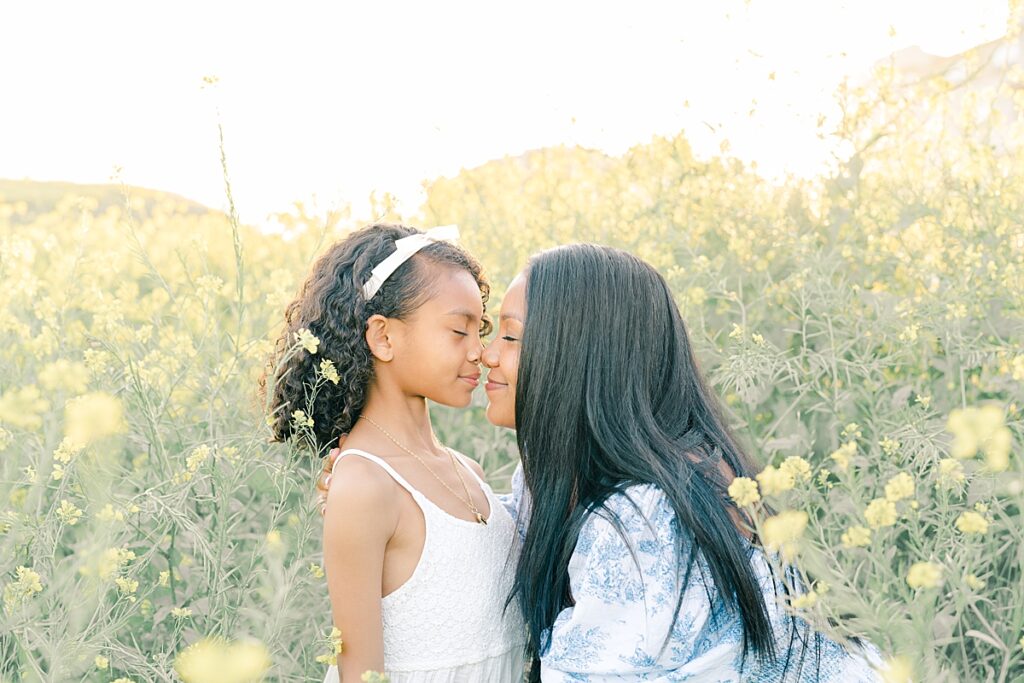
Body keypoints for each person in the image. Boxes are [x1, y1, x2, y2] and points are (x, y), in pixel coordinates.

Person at [480, 243, 885, 681]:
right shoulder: (560, 481)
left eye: (511, 336)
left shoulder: (640, 517)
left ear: (581, 356)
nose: (487, 355)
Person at [264, 223, 527, 682]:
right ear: (383, 337)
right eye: (458, 331)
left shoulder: (468, 471)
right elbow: (359, 672)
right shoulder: (363, 485)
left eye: (479, 330)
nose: (479, 353)